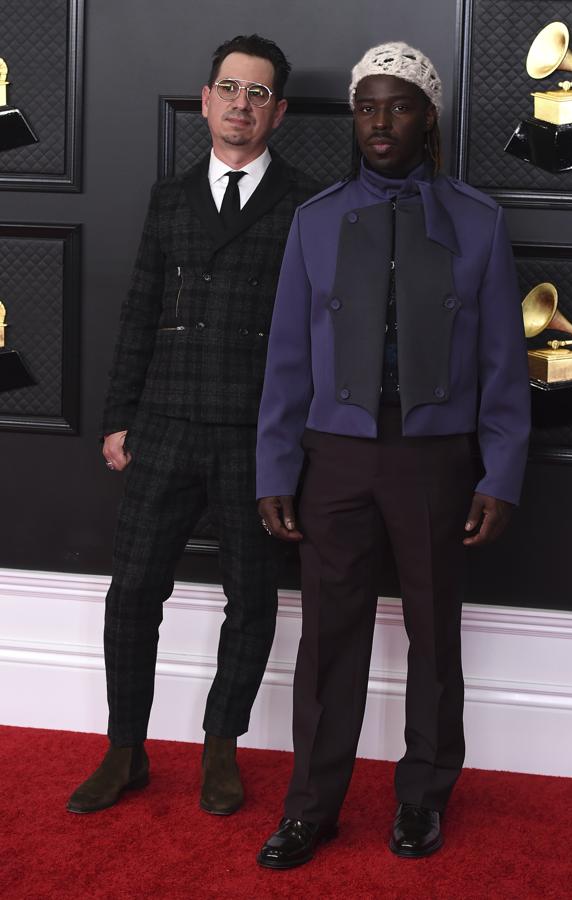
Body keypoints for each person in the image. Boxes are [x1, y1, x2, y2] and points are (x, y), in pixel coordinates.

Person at [255, 42, 531, 867]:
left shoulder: (478, 222)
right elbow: (287, 362)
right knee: (327, 638)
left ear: (427, 116)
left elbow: (500, 365)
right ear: (353, 115)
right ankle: (310, 807)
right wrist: (275, 467)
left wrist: (500, 471)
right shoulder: (314, 221)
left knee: (432, 632)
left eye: (399, 105)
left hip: (434, 459)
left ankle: (422, 798)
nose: (381, 121)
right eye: (367, 106)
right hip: (333, 456)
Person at [67, 34, 320, 816]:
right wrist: (117, 417)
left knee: (251, 597)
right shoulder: (169, 198)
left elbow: (317, 330)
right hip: (165, 422)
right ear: (205, 99)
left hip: (255, 436)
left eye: (256, 93)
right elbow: (140, 307)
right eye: (228, 88)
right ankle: (125, 751)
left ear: (275, 112)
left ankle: (220, 747)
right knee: (133, 592)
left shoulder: (307, 203)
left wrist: (300, 440)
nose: (240, 104)